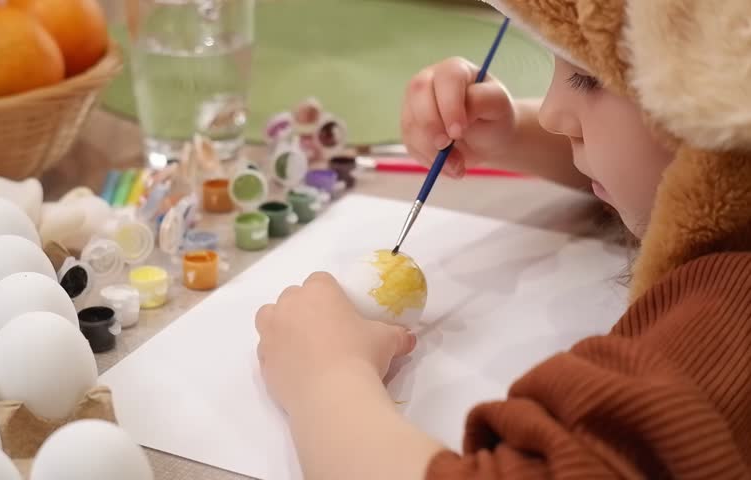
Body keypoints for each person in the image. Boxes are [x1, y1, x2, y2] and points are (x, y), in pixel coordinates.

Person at [254, 0, 751, 478]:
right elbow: (662, 167)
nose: (554, 112)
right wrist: (513, 134)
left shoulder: (734, 311)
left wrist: (326, 381)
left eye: (589, 76)